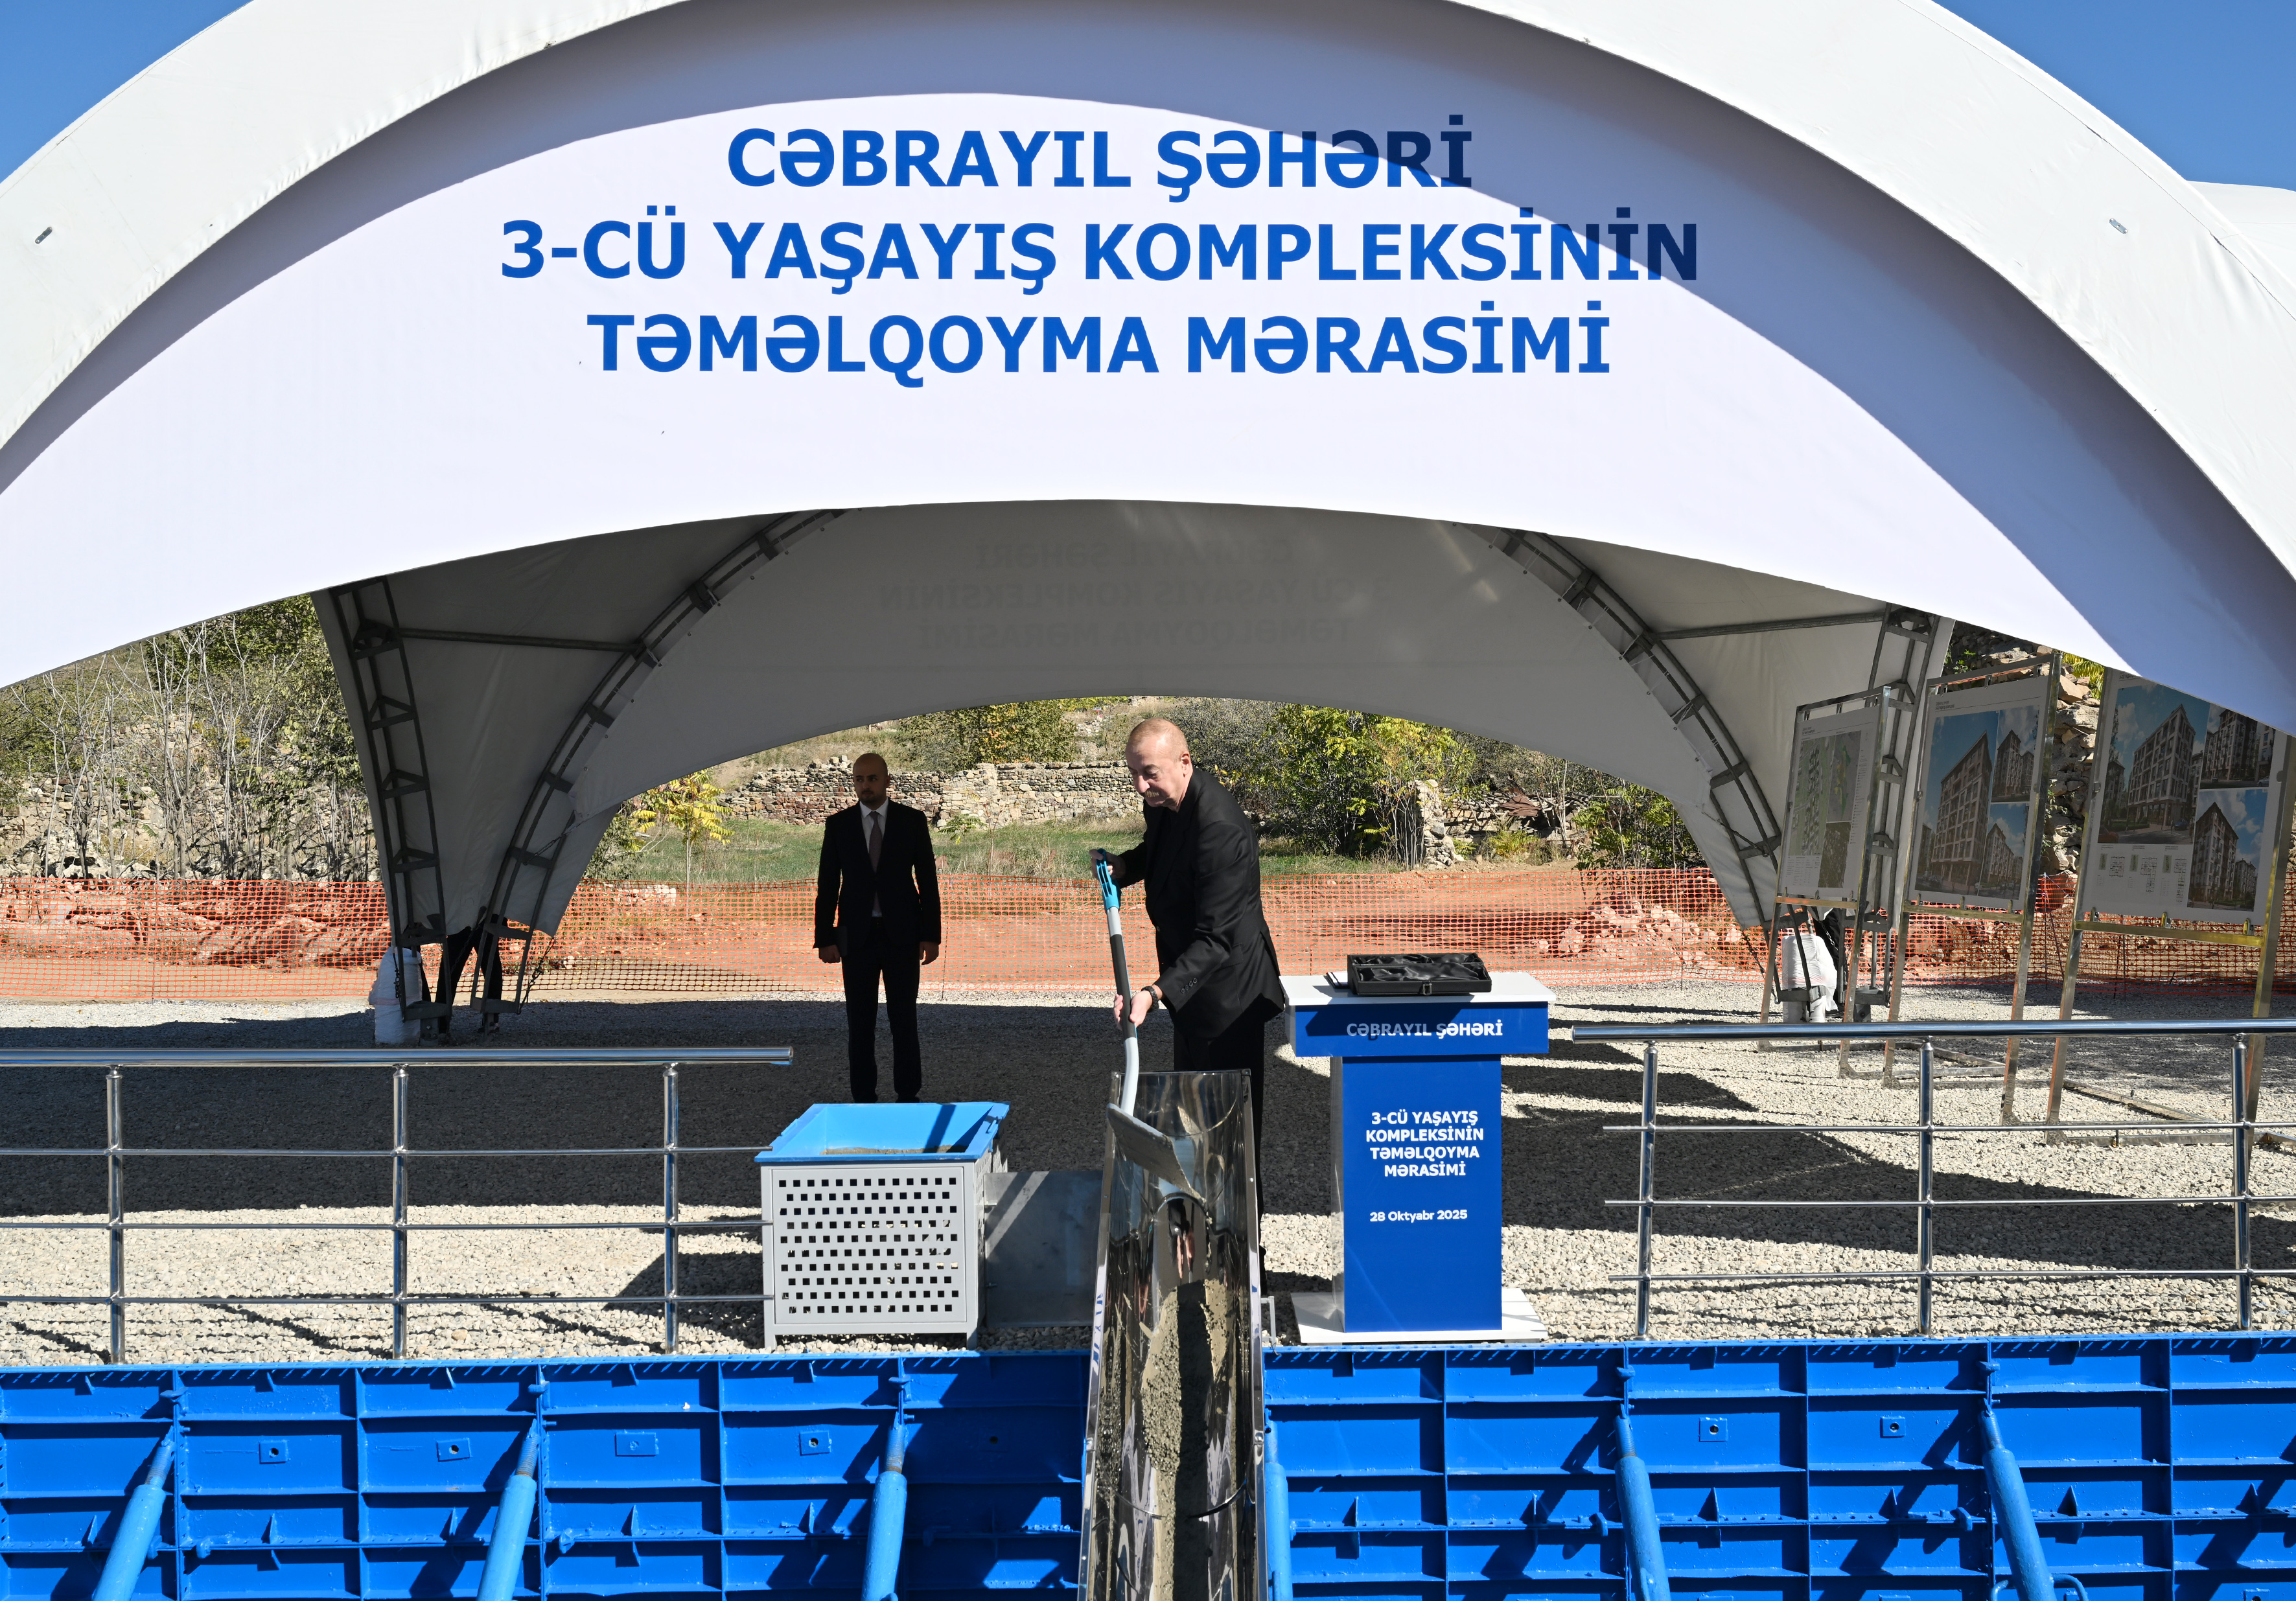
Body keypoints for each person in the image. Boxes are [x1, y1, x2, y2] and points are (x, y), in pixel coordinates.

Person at [1094, 718, 1286, 1144]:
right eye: (1133, 773)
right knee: (1195, 1112)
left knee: (1230, 1132)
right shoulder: (1163, 800)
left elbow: (1217, 939)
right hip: (1191, 983)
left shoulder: (1219, 830)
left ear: (1184, 762)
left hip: (1230, 996)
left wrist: (1154, 993)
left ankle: (1237, 1191)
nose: (1141, 786)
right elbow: (1159, 850)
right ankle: (1200, 1183)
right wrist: (1124, 867)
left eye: (1149, 773)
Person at [816, 753, 941, 1101]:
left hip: (903, 935)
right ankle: (863, 1098)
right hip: (856, 937)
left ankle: (908, 1095)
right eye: (859, 779)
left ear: (887, 781)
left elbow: (927, 881)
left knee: (904, 1019)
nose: (865, 785)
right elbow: (828, 885)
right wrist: (825, 937)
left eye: (872, 778)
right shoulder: (838, 825)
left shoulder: (911, 821)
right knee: (860, 1022)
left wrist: (930, 935)